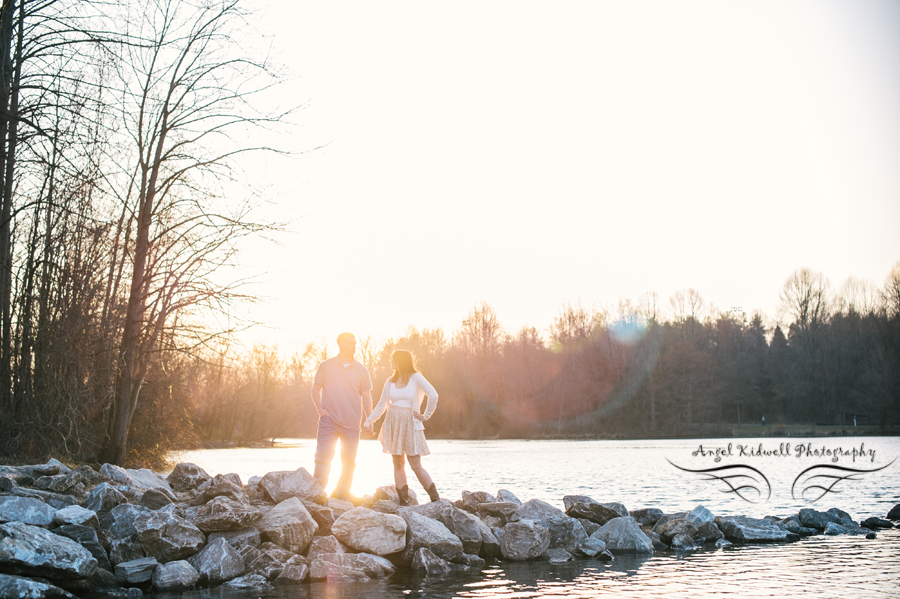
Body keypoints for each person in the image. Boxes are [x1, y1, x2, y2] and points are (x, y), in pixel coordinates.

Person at [364, 349, 440, 505]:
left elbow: (433, 395)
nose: (391, 362)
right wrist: (369, 420)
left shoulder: (416, 377)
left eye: (393, 360)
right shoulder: (390, 381)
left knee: (415, 465)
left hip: (411, 424)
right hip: (394, 424)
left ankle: (435, 499)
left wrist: (425, 415)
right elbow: (382, 404)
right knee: (398, 463)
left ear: (401, 361)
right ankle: (403, 501)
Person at [311, 332, 373, 499]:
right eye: (349, 343)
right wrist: (320, 409)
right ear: (340, 344)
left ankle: (342, 492)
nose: (353, 346)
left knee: (349, 461)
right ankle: (317, 491)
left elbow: (366, 396)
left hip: (352, 423)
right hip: (328, 421)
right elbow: (315, 389)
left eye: (354, 343)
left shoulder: (361, 370)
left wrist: (370, 419)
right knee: (323, 457)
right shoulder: (326, 366)